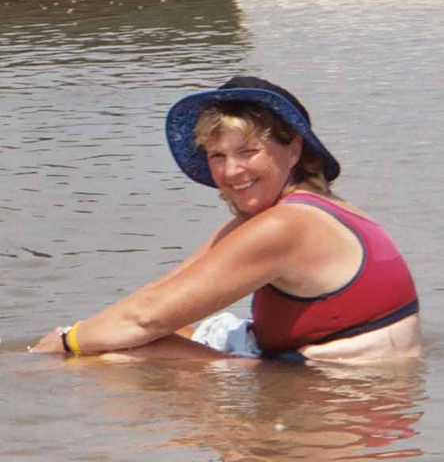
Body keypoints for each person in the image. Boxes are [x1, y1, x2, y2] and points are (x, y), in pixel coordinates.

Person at [32, 76, 420, 362]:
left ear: (294, 150)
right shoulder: (302, 209)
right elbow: (160, 294)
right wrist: (77, 335)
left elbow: (144, 319)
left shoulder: (286, 226)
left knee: (114, 358)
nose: (232, 171)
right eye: (217, 155)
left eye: (248, 151)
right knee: (145, 336)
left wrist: (63, 346)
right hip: (325, 379)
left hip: (347, 399)